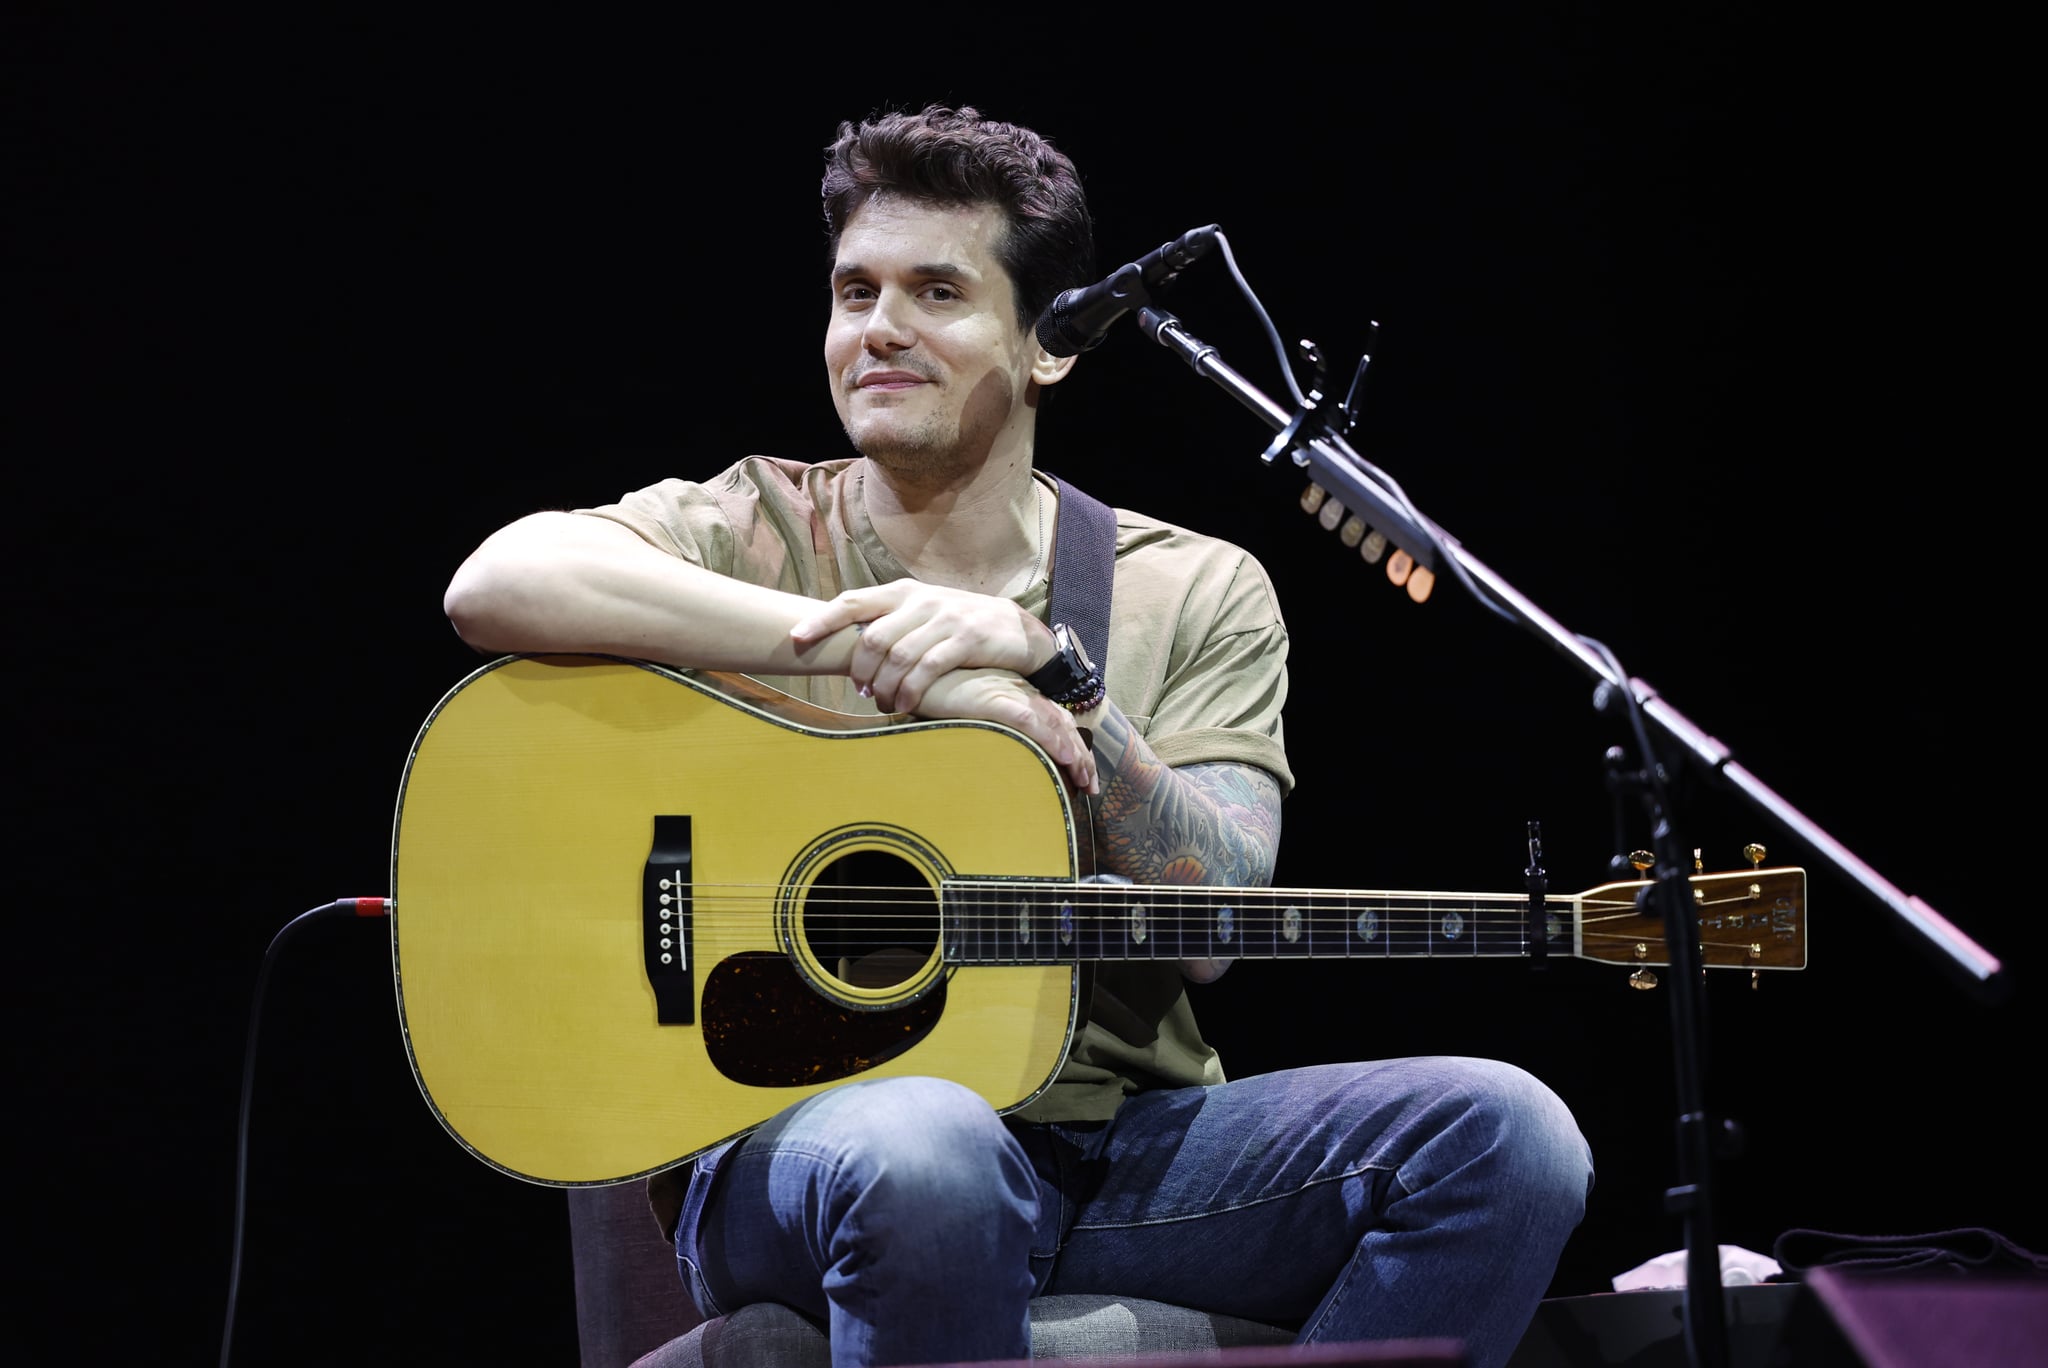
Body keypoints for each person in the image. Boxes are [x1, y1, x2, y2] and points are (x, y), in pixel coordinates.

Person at [442, 103, 1593, 1368]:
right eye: (852, 292)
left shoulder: (1193, 586)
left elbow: (1216, 921)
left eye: (935, 292)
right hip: (814, 1148)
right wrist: (867, 640)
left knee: (1506, 1134)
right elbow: (496, 582)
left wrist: (1063, 691)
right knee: (926, 1140)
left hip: (1133, 1160)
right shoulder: (754, 522)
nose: (877, 329)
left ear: (1046, 347)